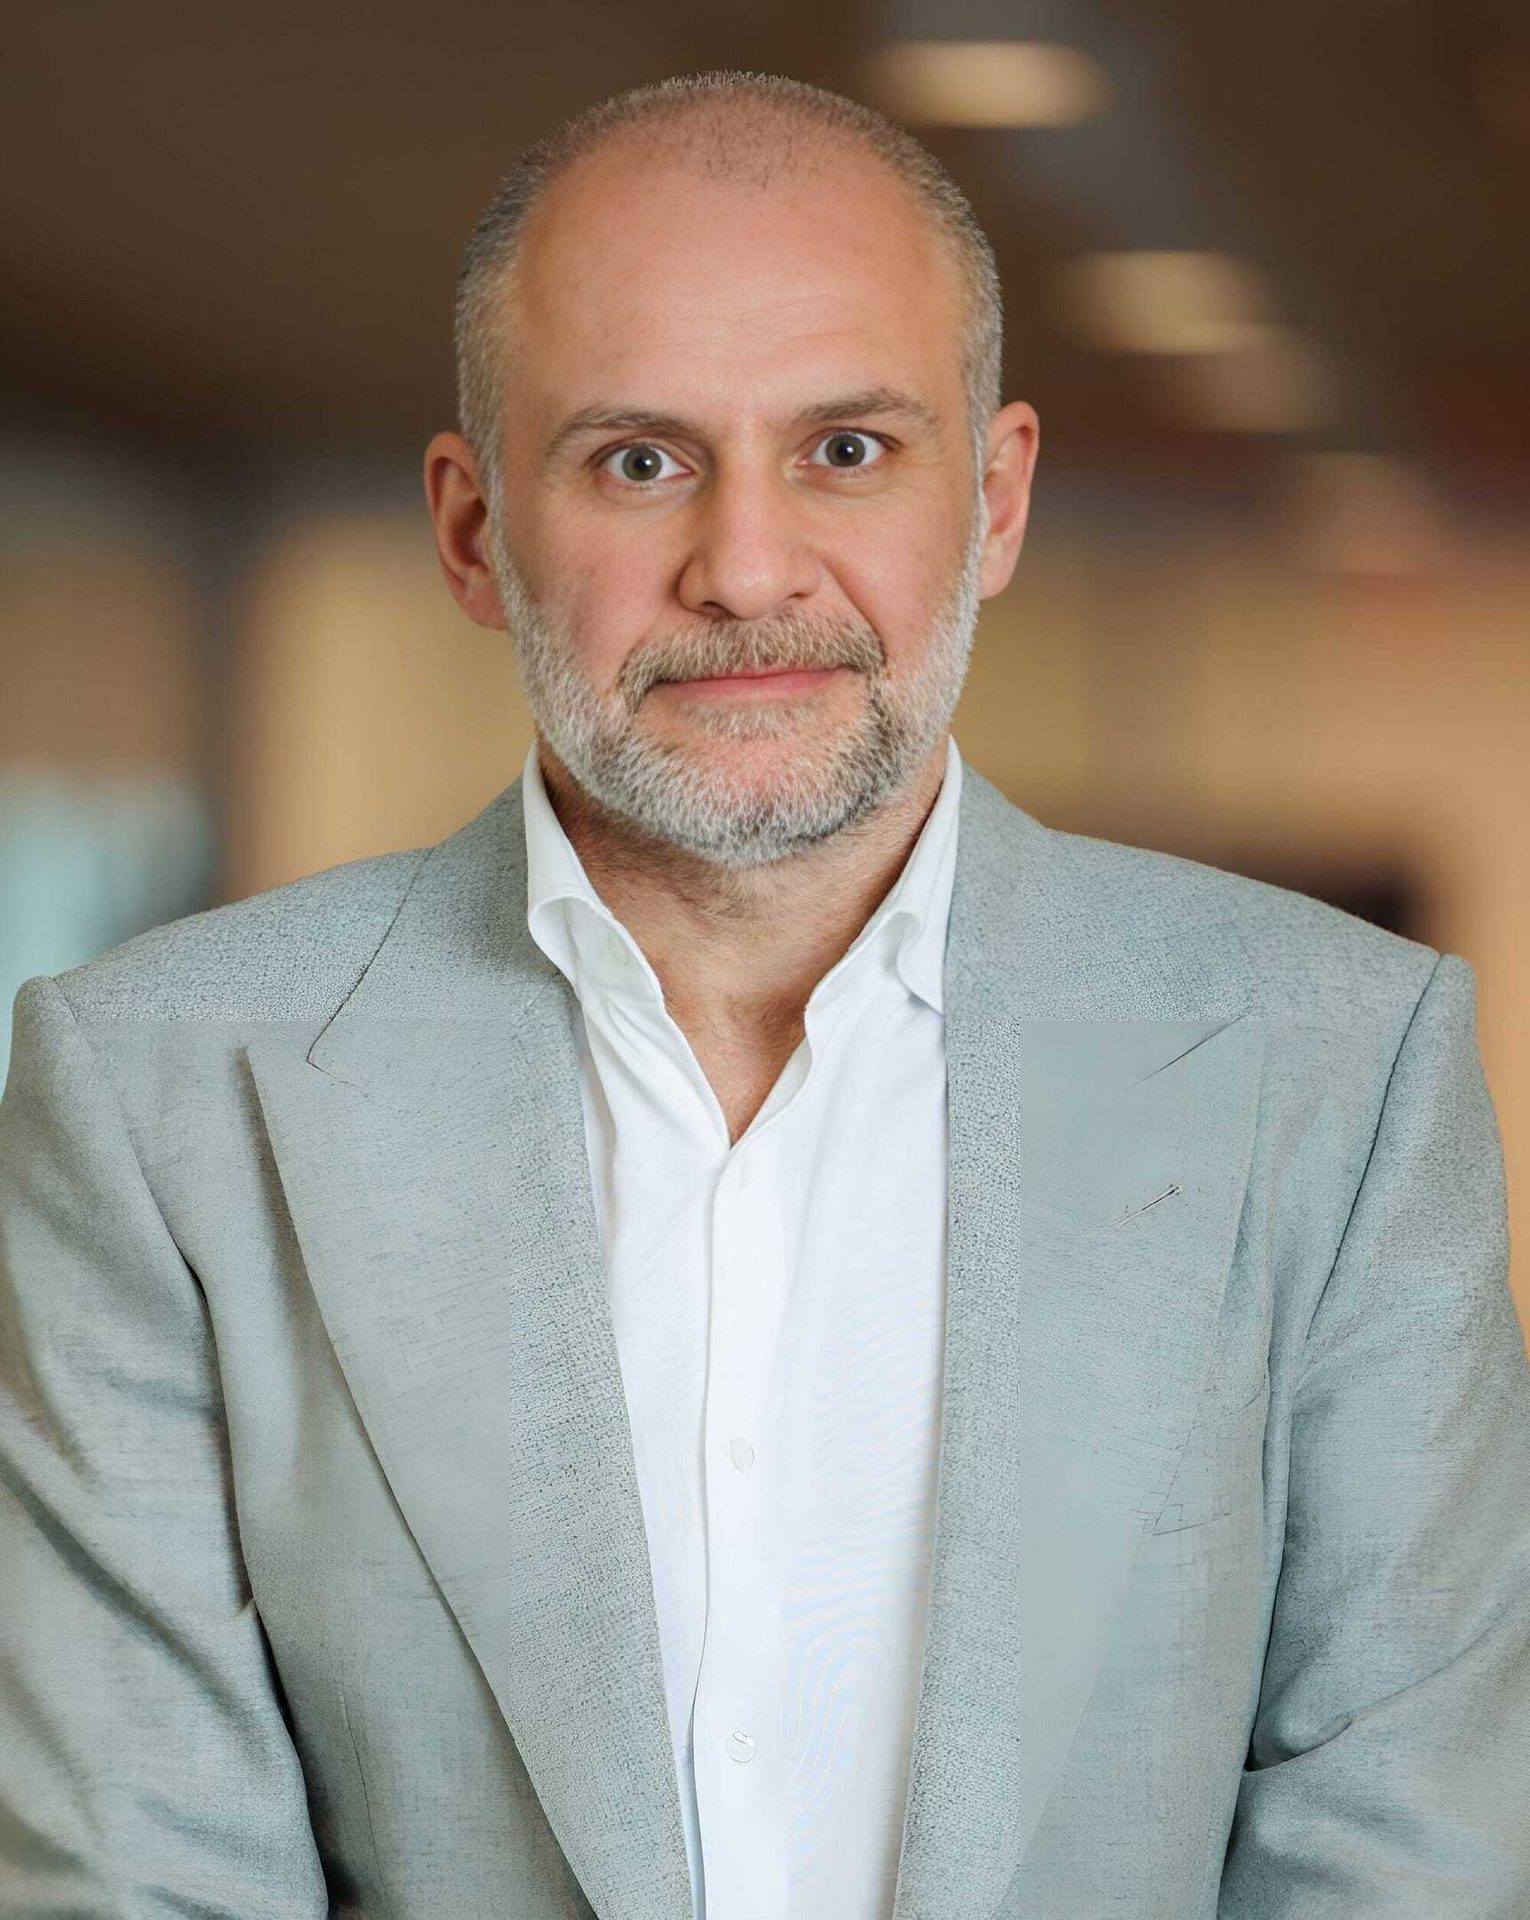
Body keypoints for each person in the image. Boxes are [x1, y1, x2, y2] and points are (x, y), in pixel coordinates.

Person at [1, 69, 1526, 1920]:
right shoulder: (156, 1091)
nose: (742, 569)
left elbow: (1405, 1854)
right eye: (638, 458)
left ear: (995, 497)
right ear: (476, 531)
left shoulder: (1341, 1073)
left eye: (848, 450)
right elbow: (137, 1878)